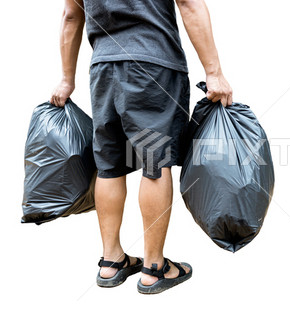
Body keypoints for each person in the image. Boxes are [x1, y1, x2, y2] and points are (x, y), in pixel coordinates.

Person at [50, 0, 232, 294]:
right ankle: (154, 268)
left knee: (109, 165)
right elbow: (188, 3)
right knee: (154, 162)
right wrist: (213, 73)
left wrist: (66, 80)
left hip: (103, 70)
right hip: (152, 68)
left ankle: (111, 261)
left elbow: (72, 15)